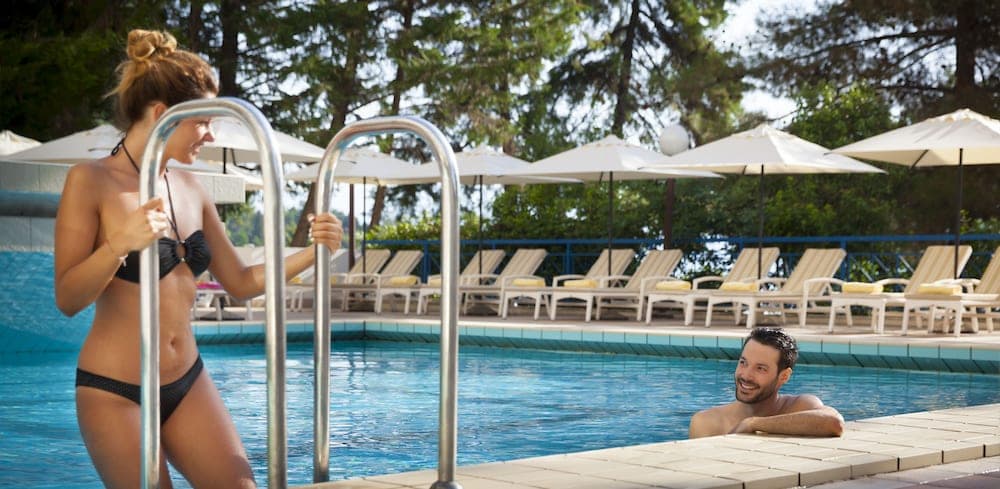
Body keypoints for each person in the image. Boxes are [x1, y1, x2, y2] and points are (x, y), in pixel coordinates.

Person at [54, 29, 342, 489]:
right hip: (115, 391)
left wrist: (315, 253)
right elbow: (68, 298)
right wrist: (118, 245)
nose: (210, 135)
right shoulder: (90, 181)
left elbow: (241, 281)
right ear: (163, 115)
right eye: (203, 122)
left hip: (188, 382)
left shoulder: (191, 188)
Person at [689, 327, 845, 439]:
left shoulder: (799, 406)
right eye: (743, 363)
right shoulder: (707, 423)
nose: (746, 375)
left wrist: (753, 424)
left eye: (760, 368)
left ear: (784, 376)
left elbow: (834, 423)